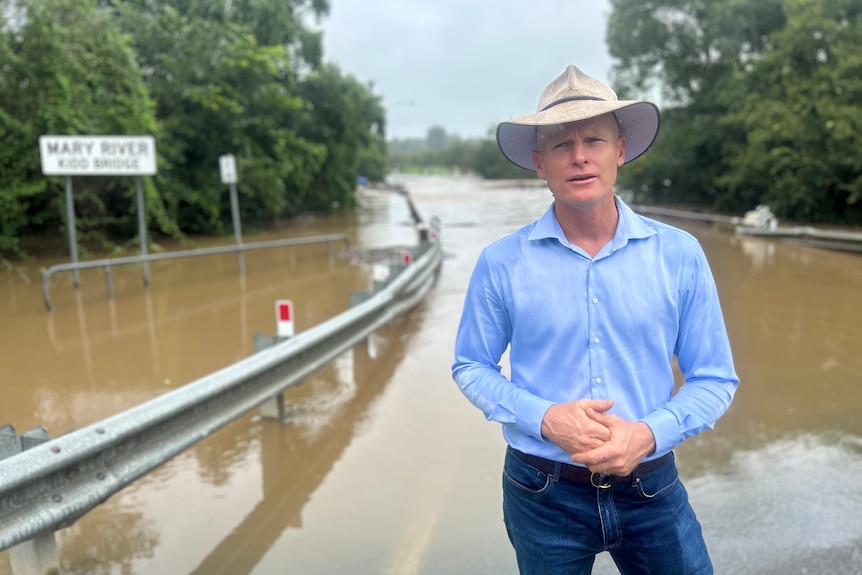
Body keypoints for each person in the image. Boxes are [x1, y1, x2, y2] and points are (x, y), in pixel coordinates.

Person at [451, 65, 739, 574]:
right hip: (542, 492)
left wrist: (648, 434)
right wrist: (546, 418)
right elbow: (471, 366)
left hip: (652, 485)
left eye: (594, 139)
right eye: (561, 145)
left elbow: (714, 378)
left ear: (620, 150)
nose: (580, 156)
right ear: (539, 163)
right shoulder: (502, 262)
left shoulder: (680, 255)